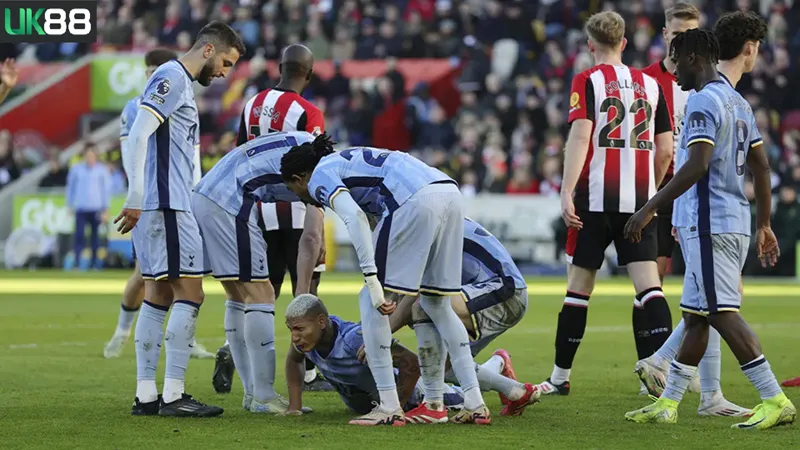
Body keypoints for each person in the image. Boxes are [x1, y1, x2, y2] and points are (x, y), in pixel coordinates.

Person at [623, 28, 795, 430]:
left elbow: (698, 164)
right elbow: (762, 166)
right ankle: (668, 403)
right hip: (733, 221)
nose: (672, 67)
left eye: (675, 57)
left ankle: (773, 397)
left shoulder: (702, 100)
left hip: (708, 222)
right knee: (696, 316)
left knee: (720, 313)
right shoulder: (738, 101)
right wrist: (765, 222)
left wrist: (648, 209)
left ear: (694, 57)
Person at [281, 137, 489, 425]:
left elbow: (354, 217)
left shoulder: (319, 175)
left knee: (369, 300)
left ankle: (389, 406)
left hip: (411, 199)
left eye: (294, 190)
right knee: (437, 303)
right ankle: (475, 402)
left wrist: (371, 278)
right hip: (447, 191)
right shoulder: (349, 160)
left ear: (299, 177)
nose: (301, 196)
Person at [538, 11, 674, 396]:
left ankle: (560, 378)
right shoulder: (650, 84)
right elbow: (665, 149)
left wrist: (566, 191)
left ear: (590, 44)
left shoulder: (587, 81)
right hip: (640, 202)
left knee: (578, 290)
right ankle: (661, 376)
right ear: (625, 43)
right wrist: (652, 190)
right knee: (649, 288)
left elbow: (581, 137)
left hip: (594, 200)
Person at [114, 21, 245, 418]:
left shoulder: (178, 80)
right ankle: (173, 394)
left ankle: (146, 395)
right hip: (167, 204)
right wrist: (136, 196)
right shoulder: (172, 75)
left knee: (159, 295)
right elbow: (138, 132)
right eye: (225, 61)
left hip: (164, 204)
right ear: (208, 50)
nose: (224, 72)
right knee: (192, 293)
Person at [212, 44, 332, 394]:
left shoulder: (250, 104)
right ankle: (308, 373)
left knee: (263, 293)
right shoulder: (309, 112)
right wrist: (319, 227)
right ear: (308, 74)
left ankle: (229, 350)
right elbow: (314, 172)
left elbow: (239, 154)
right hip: (298, 211)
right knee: (306, 291)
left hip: (259, 213)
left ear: (279, 67)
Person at [193, 130, 324, 414]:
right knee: (261, 292)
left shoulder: (301, 142)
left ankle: (253, 394)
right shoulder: (319, 170)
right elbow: (311, 237)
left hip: (208, 194)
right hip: (230, 201)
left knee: (238, 295)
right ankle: (263, 395)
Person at [104, 48, 213, 361]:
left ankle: (179, 347)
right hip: (155, 199)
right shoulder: (135, 107)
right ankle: (121, 333)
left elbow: (192, 156)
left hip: (181, 199)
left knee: (178, 283)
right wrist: (136, 192)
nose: (154, 74)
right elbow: (131, 152)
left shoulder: (184, 97)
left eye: (158, 68)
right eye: (150, 69)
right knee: (147, 279)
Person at [384, 217, 539, 418]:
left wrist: (378, 338)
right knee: (444, 367)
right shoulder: (435, 212)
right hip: (493, 291)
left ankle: (433, 406)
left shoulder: (422, 223)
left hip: (503, 290)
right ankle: (514, 388)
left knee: (424, 305)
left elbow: (413, 295)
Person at [284, 294, 476, 419]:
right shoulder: (306, 342)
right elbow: (293, 360)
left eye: (299, 329)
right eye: (291, 329)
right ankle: (497, 364)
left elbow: (411, 363)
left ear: (321, 322)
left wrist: (395, 410)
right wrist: (295, 406)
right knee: (456, 370)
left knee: (462, 383)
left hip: (419, 396)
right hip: (370, 406)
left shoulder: (354, 340)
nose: (294, 337)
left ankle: (500, 370)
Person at [66, 145, 110, 271]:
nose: (90, 158)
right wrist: (69, 205)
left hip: (96, 208)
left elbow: (105, 190)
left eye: (92, 155)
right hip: (81, 208)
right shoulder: (77, 169)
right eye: (88, 155)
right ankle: (77, 262)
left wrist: (105, 209)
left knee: (95, 237)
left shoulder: (101, 170)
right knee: (79, 236)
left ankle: (94, 263)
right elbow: (71, 188)